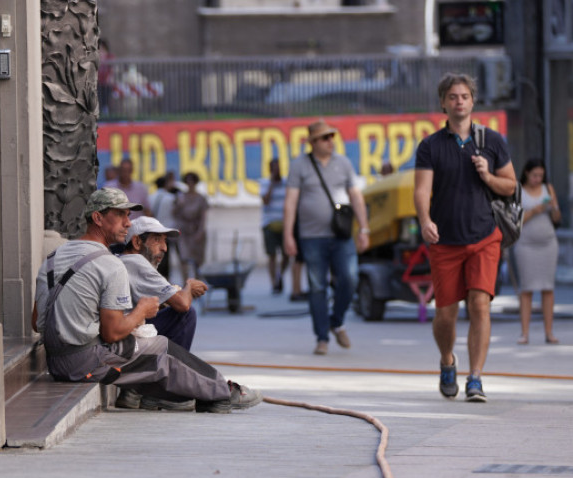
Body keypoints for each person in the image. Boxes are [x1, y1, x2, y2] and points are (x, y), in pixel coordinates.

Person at [32, 187, 261, 414]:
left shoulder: (53, 258)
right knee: (161, 348)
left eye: (128, 216)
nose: (128, 223)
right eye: (120, 215)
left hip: (56, 363)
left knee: (147, 348)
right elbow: (113, 333)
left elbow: (37, 322)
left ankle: (187, 394)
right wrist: (141, 311)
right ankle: (223, 391)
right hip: (87, 364)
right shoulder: (110, 265)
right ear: (98, 218)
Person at [414, 73, 517, 403]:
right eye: (453, 97)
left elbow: (510, 186)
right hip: (445, 240)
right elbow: (421, 190)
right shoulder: (430, 146)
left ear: (473, 102)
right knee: (445, 314)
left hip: (485, 237)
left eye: (464, 96)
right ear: (443, 103)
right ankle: (447, 361)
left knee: (479, 304)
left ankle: (475, 378)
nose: (459, 101)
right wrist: (425, 220)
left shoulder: (492, 142)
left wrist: (487, 174)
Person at [283, 120, 370, 355]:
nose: (330, 141)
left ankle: (336, 320)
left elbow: (356, 197)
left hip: (342, 235)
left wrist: (364, 229)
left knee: (350, 278)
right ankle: (322, 337)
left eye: (332, 137)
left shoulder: (343, 163)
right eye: (324, 138)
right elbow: (291, 201)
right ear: (312, 142)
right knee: (317, 287)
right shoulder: (300, 165)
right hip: (311, 237)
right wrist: (288, 234)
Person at [120, 216, 208, 351]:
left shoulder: (125, 261)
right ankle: (177, 366)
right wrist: (189, 285)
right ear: (137, 242)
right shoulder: (136, 262)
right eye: (157, 240)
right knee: (186, 315)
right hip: (126, 334)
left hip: (125, 327)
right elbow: (182, 304)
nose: (164, 248)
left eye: (165, 241)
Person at [515, 158, 561, 345]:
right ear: (526, 173)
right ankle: (524, 333)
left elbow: (557, 219)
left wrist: (553, 207)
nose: (537, 179)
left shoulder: (548, 189)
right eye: (534, 175)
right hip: (526, 244)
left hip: (548, 244)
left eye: (540, 175)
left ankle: (549, 332)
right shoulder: (518, 191)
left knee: (547, 288)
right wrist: (536, 210)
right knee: (526, 288)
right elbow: (515, 221)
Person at [261, 158, 288, 294]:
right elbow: (265, 200)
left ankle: (280, 276)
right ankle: (273, 282)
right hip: (269, 223)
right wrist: (272, 183)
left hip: (284, 224)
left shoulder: (286, 183)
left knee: (286, 254)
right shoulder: (265, 183)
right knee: (272, 255)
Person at [174, 172, 209, 279]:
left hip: (196, 229)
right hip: (184, 231)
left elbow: (203, 217)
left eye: (192, 182)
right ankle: (186, 282)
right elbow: (174, 213)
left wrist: (200, 231)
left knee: (197, 259)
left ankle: (197, 283)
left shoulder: (201, 198)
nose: (190, 184)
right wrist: (179, 205)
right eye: (188, 182)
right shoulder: (181, 197)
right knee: (184, 258)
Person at [149, 172, 180, 279]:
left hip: (154, 231)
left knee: (156, 257)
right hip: (168, 231)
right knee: (167, 259)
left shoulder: (151, 197)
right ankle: (166, 280)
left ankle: (157, 278)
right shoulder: (171, 198)